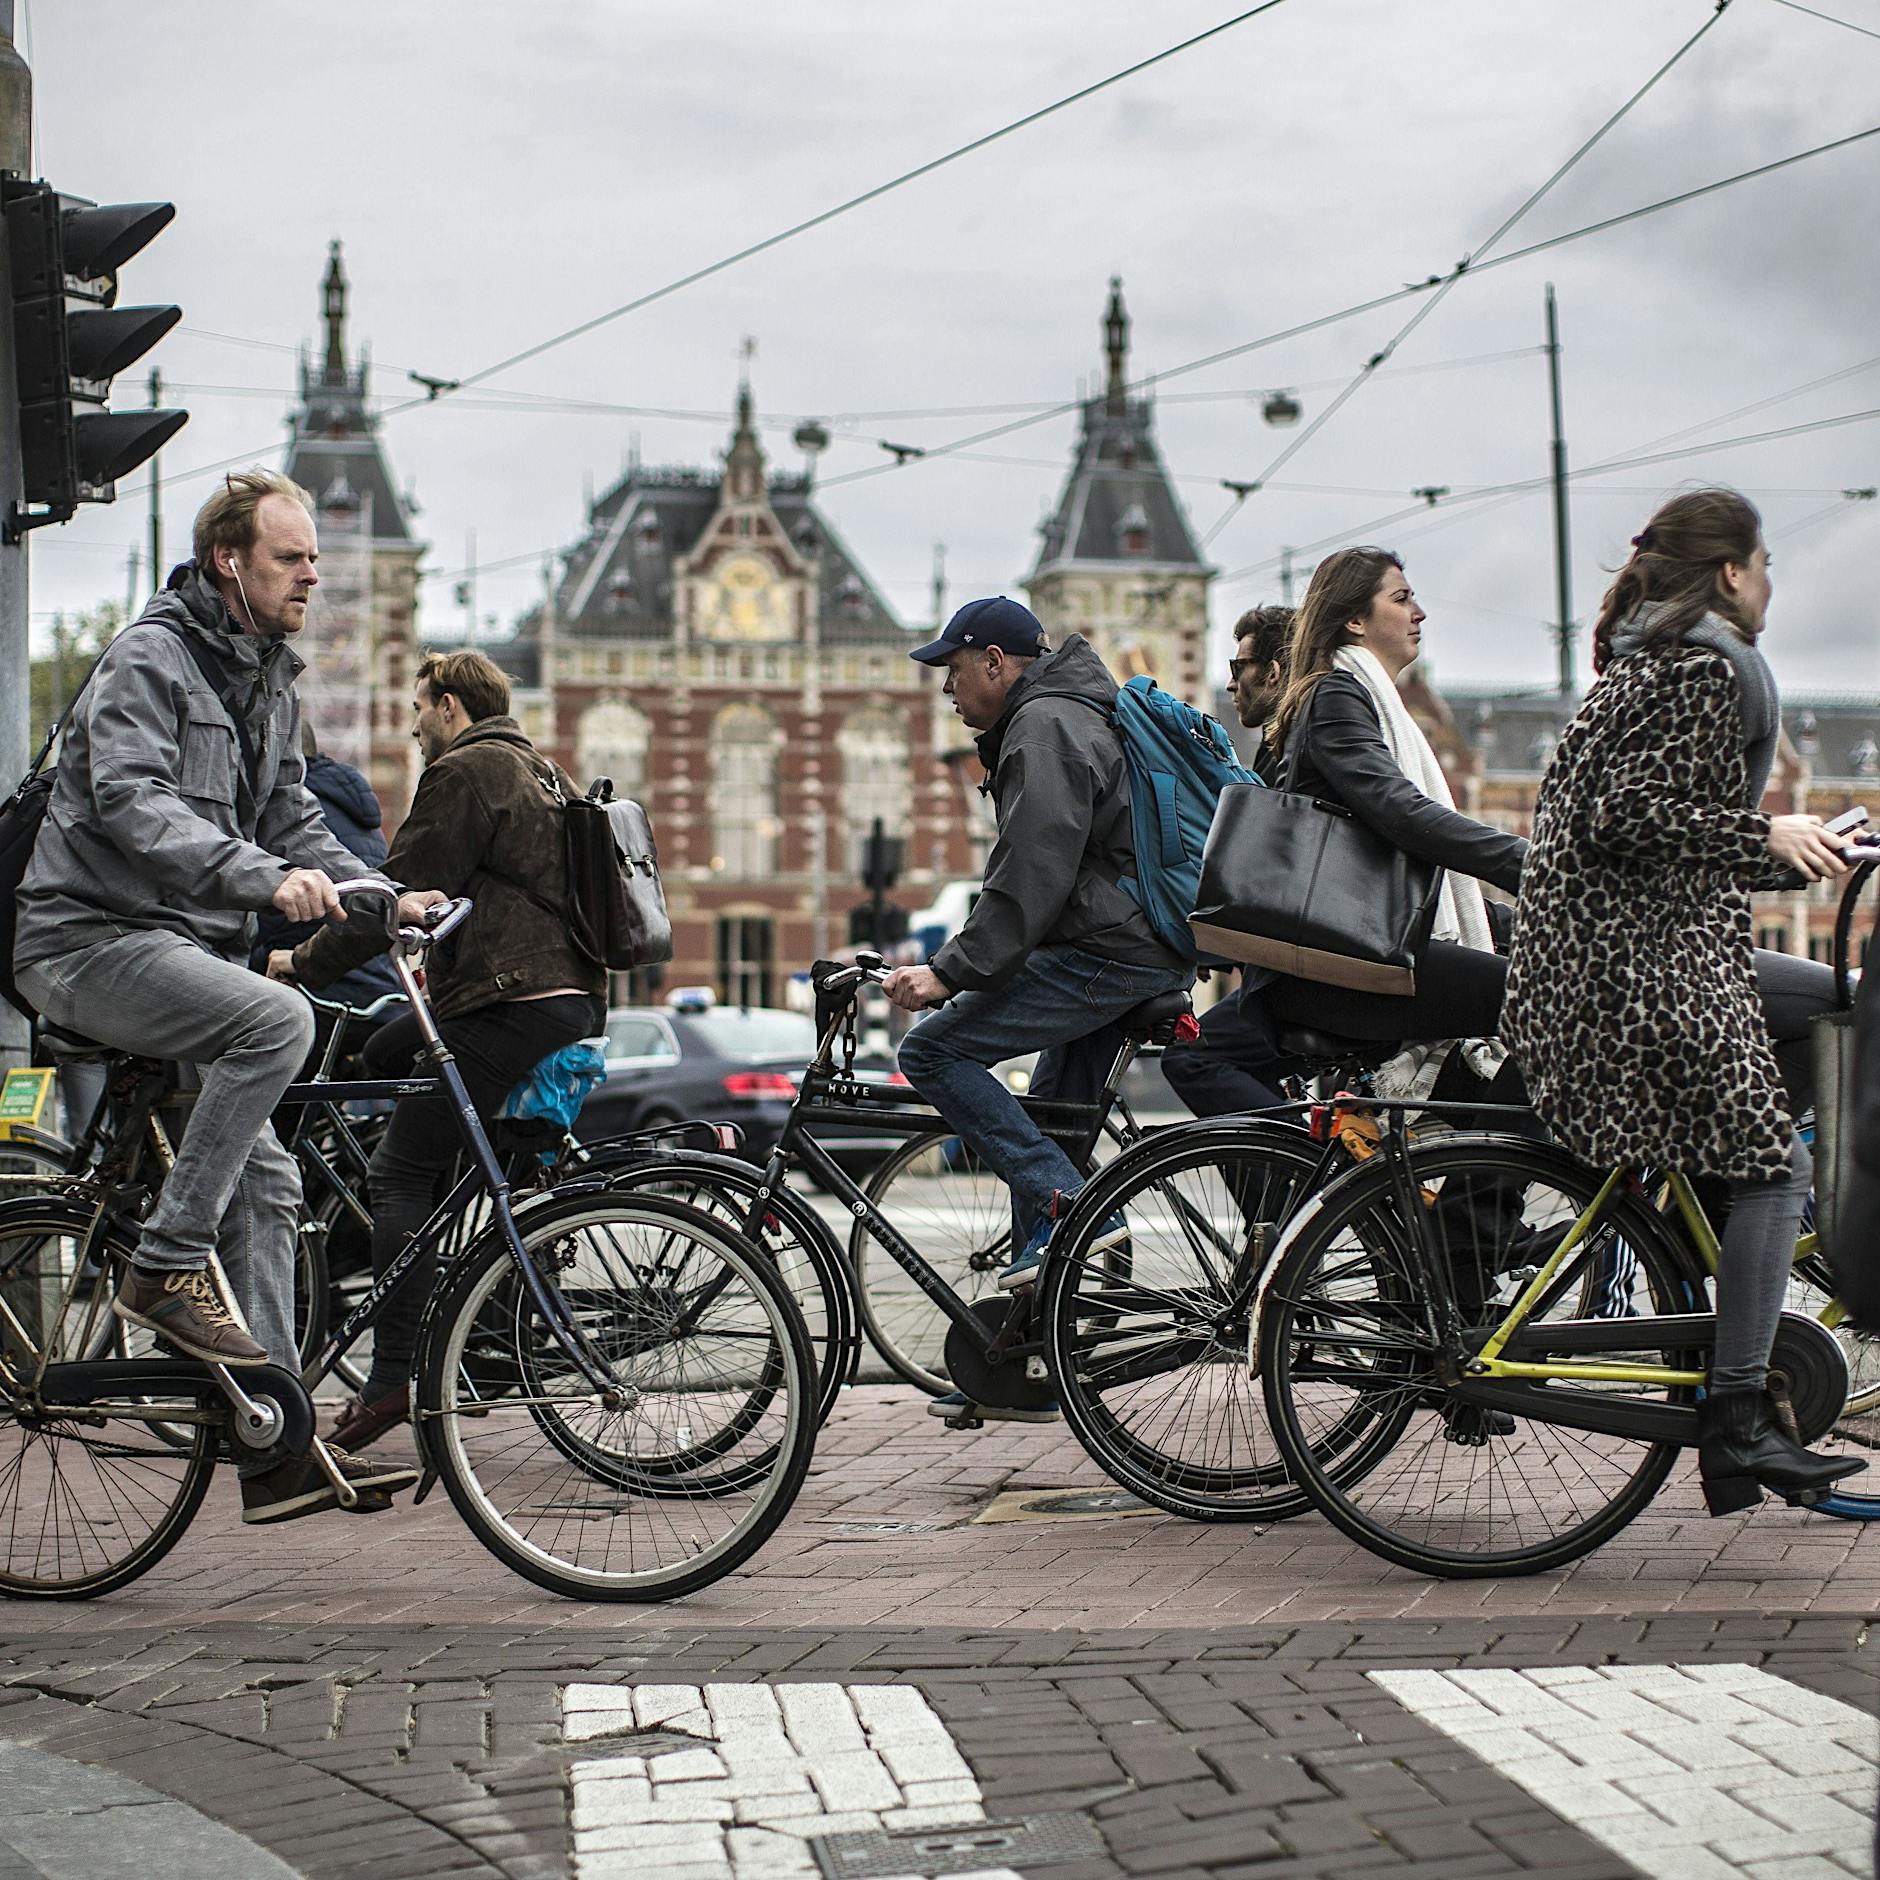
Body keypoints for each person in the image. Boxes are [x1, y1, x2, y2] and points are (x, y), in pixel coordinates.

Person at [12, 469, 432, 1524]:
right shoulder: (147, 658)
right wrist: (260, 879)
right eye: (292, 559)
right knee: (276, 1016)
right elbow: (130, 802)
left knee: (275, 1190)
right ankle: (160, 1268)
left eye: (315, 563)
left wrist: (379, 894)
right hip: (85, 938)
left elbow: (294, 816)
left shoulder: (269, 679)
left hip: (175, 954)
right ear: (227, 561)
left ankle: (275, 1440)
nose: (310, 577)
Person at [1504, 488, 1862, 1514]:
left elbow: (1665, 820)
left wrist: (1806, 845)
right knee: (1774, 1164)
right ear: (1729, 573)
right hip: (1628, 969)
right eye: (1763, 566)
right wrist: (1765, 837)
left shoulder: (1656, 658)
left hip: (1647, 948)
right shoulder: (1703, 668)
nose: (1772, 586)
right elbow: (1631, 814)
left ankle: (1707, 1201)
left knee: (1836, 998)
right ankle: (1738, 1419)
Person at [276, 648, 607, 1449]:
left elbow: (385, 900)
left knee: (399, 1170)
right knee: (387, 1052)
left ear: (451, 706)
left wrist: (297, 961)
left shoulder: (465, 774)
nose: (414, 723)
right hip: (562, 998)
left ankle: (393, 1380)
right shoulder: (541, 768)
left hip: (509, 1002)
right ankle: (467, 1275)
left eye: (419, 707)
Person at [882, 597, 1192, 1418]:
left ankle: (1068, 1203)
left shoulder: (1045, 724)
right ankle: (1025, 1360)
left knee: (934, 1054)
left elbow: (1032, 868)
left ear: (994, 661)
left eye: (952, 670)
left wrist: (950, 973)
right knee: (1046, 1125)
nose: (945, 689)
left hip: (1109, 952)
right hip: (1132, 944)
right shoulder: (1067, 710)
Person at [1261, 550, 1528, 1113]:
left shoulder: (1365, 700)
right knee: (1548, 1003)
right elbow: (1399, 811)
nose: (1420, 613)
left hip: (1361, 941)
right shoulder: (1337, 695)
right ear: (1356, 620)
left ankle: (1452, 1170)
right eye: (1402, 598)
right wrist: (1530, 865)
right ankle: (1476, 1193)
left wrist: (1514, 915)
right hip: (1342, 960)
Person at [1163, 604, 1297, 1118]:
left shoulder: (1298, 745)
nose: (1230, 684)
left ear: (1275, 672)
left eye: (1238, 668)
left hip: (1319, 982)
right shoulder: (1276, 746)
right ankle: (1296, 1189)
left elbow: (1275, 875)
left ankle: (1312, 1189)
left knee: (1192, 1060)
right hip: (1297, 973)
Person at [251, 718, 402, 1010]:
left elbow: (273, 927)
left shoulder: (288, 809)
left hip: (323, 990)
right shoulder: (354, 803)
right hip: (387, 989)